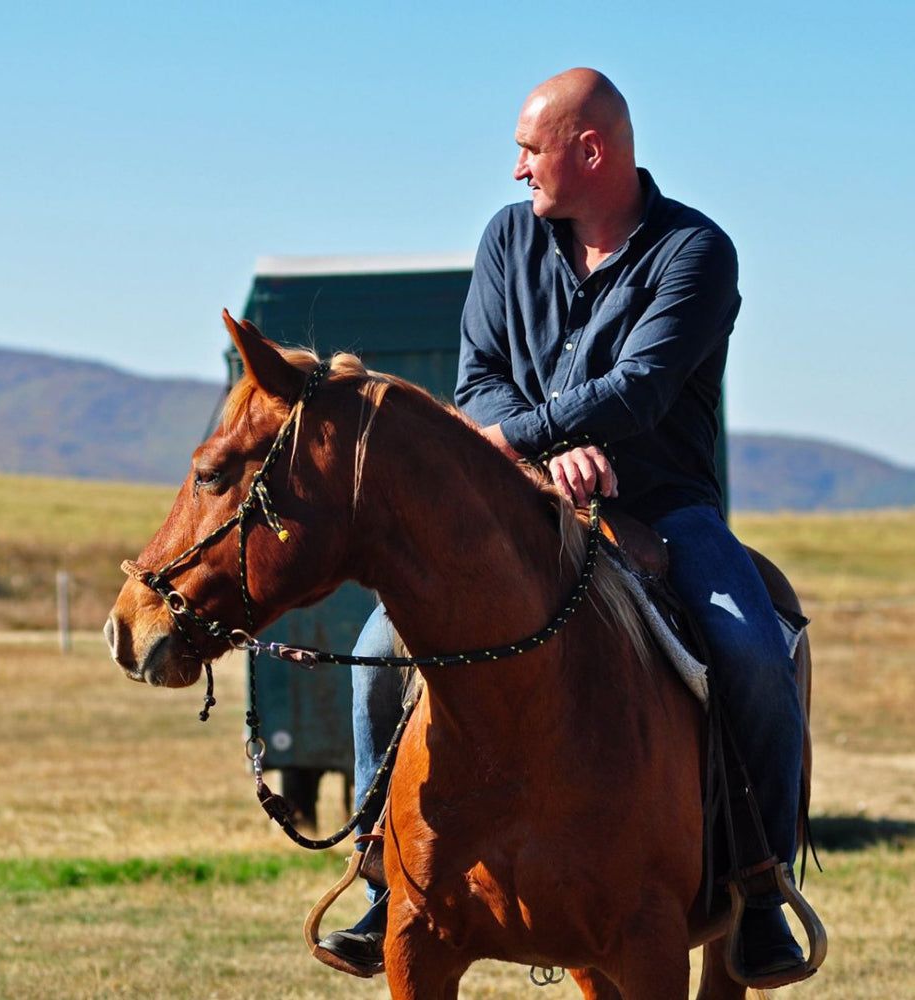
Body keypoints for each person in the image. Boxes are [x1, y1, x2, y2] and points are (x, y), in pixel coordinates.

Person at [318, 67, 806, 982]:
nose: (515, 171)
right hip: (523, 509)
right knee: (381, 652)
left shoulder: (697, 251)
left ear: (591, 151)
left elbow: (643, 388)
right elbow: (480, 378)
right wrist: (544, 462)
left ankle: (760, 888)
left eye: (528, 150)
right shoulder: (509, 239)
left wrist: (547, 436)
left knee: (752, 653)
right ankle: (384, 877)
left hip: (665, 509)